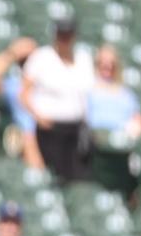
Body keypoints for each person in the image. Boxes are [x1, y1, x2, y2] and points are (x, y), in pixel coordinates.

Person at [19, 14, 92, 183]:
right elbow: (23, 93)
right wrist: (38, 116)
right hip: (50, 128)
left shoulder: (83, 57)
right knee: (52, 177)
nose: (64, 39)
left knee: (76, 177)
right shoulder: (42, 57)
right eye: (61, 35)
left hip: (76, 128)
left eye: (68, 35)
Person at [85, 45, 141, 139]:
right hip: (91, 140)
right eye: (103, 62)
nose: (107, 66)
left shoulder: (127, 94)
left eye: (111, 63)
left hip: (120, 142)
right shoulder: (87, 88)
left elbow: (137, 118)